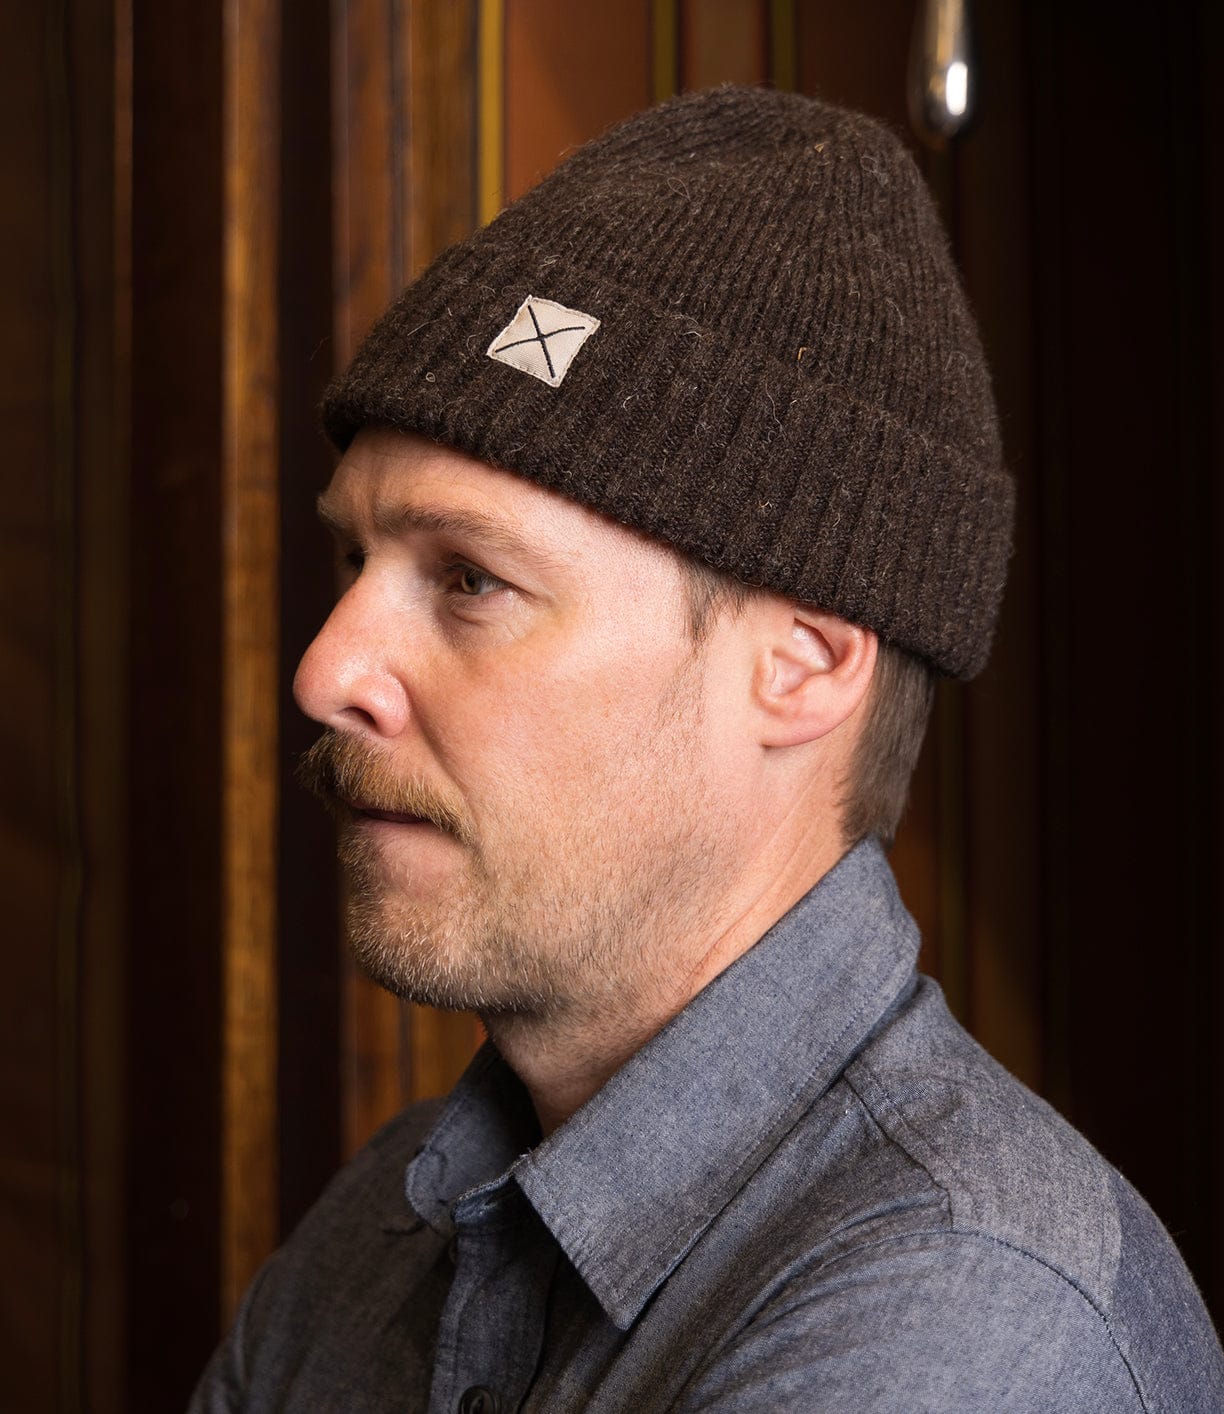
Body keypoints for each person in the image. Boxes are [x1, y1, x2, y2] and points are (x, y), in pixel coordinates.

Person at [190, 86, 1224, 1412]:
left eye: (468, 580)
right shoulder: (380, 1238)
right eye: (356, 554)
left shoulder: (971, 1318)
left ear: (801, 664)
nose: (326, 669)